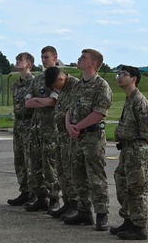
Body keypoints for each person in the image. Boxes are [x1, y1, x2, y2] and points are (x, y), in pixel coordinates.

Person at [109, 65, 148, 240]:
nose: (119, 77)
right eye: (118, 74)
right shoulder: (129, 99)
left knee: (137, 188)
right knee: (123, 183)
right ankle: (128, 220)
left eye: (123, 75)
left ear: (134, 79)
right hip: (127, 149)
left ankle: (139, 227)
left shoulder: (140, 101)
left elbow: (147, 129)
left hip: (137, 149)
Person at [64, 48, 112, 231]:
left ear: (93, 64)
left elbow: (99, 112)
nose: (79, 59)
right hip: (76, 136)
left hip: (92, 137)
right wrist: (69, 125)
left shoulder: (101, 86)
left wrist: (78, 126)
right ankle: (85, 211)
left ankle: (102, 214)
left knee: (96, 176)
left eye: (83, 57)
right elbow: (69, 108)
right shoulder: (77, 85)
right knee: (78, 175)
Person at [24, 46, 61, 212]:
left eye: (46, 57)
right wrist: (42, 100)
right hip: (36, 129)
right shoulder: (36, 79)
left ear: (55, 57)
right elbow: (27, 103)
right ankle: (40, 197)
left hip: (51, 129)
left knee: (50, 165)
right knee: (35, 164)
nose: (43, 60)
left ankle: (54, 198)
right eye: (42, 57)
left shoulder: (59, 78)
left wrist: (37, 100)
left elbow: (53, 102)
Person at [45, 65, 80, 219]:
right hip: (61, 136)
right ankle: (67, 202)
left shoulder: (75, 86)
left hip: (71, 137)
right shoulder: (63, 88)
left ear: (61, 78)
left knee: (71, 172)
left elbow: (73, 109)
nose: (55, 89)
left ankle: (75, 204)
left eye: (55, 85)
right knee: (61, 171)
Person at [7, 52, 36, 206]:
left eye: (20, 60)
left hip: (29, 123)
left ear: (29, 64)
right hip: (18, 124)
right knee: (19, 159)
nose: (17, 61)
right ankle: (24, 190)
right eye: (16, 59)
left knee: (29, 159)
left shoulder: (34, 82)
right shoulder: (17, 84)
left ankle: (33, 192)